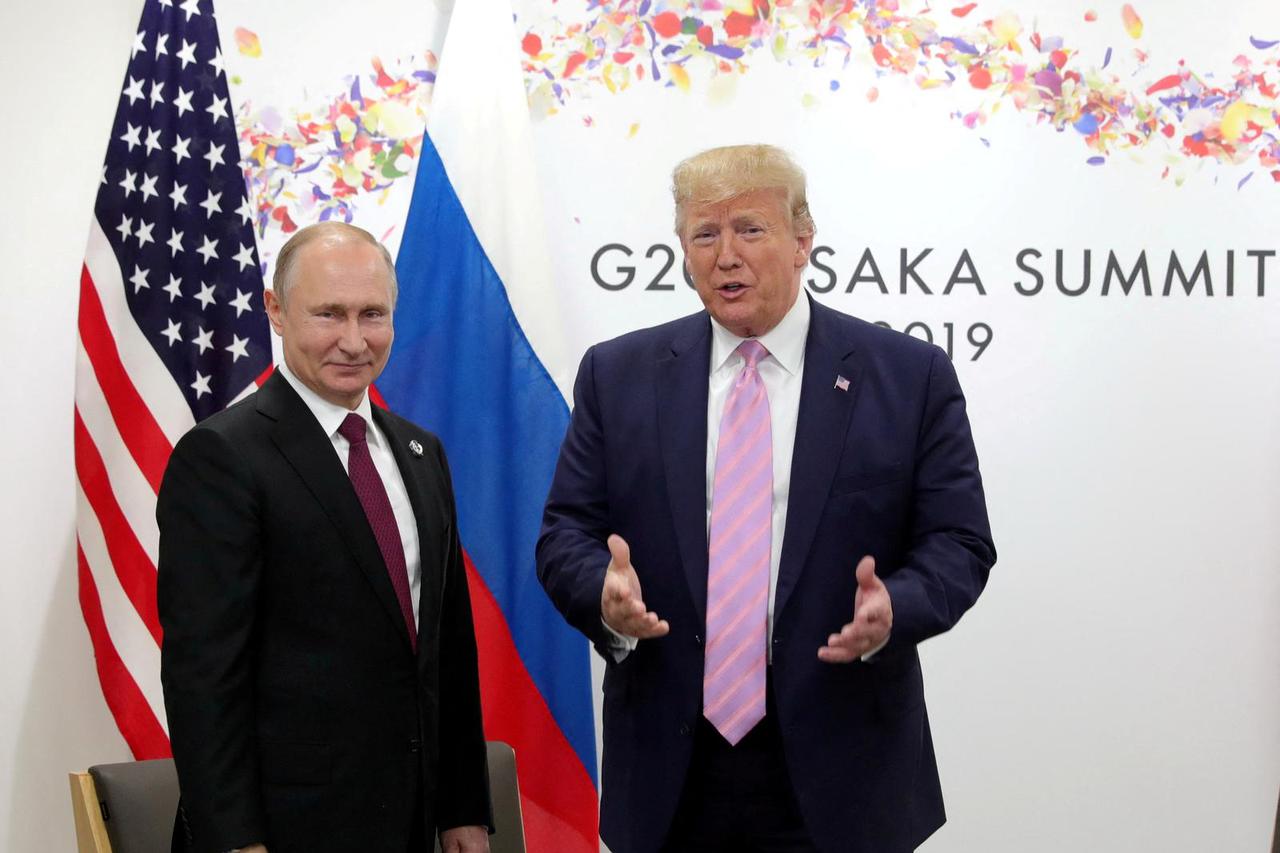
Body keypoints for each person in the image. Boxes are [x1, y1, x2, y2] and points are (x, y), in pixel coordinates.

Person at [537, 145, 995, 853]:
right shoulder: (618, 375)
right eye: (704, 234)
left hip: (845, 767)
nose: (726, 256)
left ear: (802, 239)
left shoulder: (906, 377)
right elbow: (565, 531)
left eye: (750, 229)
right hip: (670, 768)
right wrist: (602, 591)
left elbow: (958, 542)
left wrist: (895, 606)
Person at [158, 222, 491, 853]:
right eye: (328, 314)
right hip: (286, 831)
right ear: (276, 312)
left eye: (373, 314)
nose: (354, 340)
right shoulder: (222, 456)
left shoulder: (422, 452)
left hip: (416, 823)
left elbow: (447, 650)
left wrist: (462, 808)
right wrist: (234, 840)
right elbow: (204, 677)